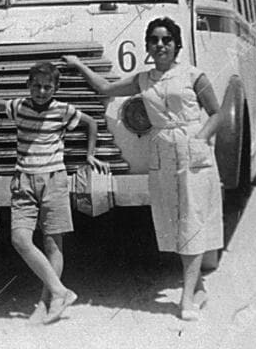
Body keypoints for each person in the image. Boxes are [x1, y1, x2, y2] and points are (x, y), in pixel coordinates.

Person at [63, 17, 224, 321]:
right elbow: (104, 89)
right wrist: (78, 64)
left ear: (177, 45)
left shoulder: (194, 75)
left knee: (192, 219)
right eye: (154, 40)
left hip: (192, 149)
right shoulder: (142, 80)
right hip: (162, 151)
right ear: (148, 46)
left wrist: (200, 139)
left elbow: (216, 114)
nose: (160, 45)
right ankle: (198, 287)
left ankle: (187, 298)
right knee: (174, 221)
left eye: (166, 40)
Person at [0, 61, 103, 325]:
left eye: (47, 87)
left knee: (53, 243)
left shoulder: (62, 110)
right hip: (23, 181)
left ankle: (47, 303)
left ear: (55, 88)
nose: (41, 92)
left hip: (54, 179)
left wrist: (89, 155)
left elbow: (91, 123)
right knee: (20, 239)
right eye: (37, 86)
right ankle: (61, 292)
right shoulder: (20, 107)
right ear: (28, 86)